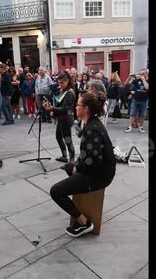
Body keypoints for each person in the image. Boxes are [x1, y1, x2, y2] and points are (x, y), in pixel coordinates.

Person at [49, 90, 116, 238]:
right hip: (98, 170)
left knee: (56, 191)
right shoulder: (91, 123)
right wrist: (76, 165)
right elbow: (89, 155)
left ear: (86, 108)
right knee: (68, 168)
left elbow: (93, 163)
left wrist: (76, 168)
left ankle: (84, 223)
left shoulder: (92, 129)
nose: (75, 107)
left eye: (78, 105)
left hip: (100, 176)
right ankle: (80, 209)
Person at [42, 71, 76, 163]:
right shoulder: (63, 91)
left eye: (62, 83)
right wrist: (53, 110)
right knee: (58, 137)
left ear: (68, 81)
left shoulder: (70, 93)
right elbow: (59, 103)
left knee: (68, 140)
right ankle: (64, 156)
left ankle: (72, 160)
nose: (60, 85)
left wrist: (52, 108)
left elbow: (65, 109)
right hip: (61, 118)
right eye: (59, 83)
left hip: (66, 119)